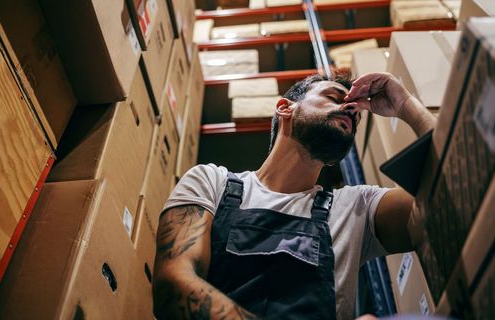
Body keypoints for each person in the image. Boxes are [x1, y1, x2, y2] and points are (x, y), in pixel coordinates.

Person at [152, 72, 437, 320]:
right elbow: (172, 285)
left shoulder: (356, 208)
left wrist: (404, 103)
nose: (351, 108)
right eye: (334, 97)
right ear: (285, 108)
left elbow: (444, 199)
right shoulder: (211, 183)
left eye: (357, 113)